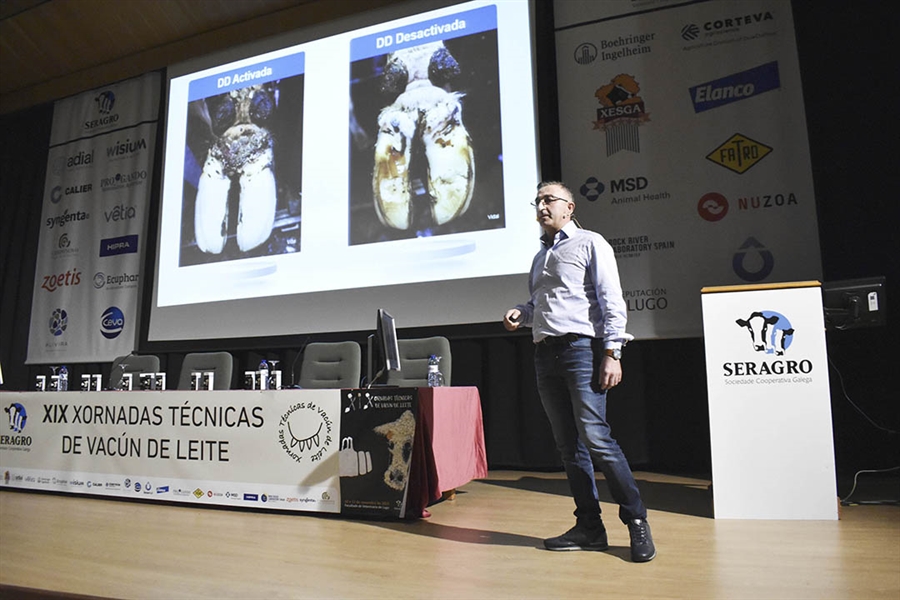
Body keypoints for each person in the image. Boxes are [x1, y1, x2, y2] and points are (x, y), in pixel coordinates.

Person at [503, 180, 656, 563]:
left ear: (569, 207)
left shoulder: (590, 243)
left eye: (549, 199)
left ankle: (636, 520)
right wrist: (522, 314)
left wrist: (612, 352)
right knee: (568, 448)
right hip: (545, 354)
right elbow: (542, 304)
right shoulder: (540, 257)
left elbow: (611, 300)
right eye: (537, 201)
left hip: (581, 351)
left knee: (596, 438)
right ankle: (590, 527)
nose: (541, 206)